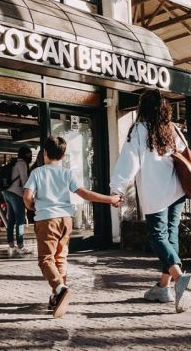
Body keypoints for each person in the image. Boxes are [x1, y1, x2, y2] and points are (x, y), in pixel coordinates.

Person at [110, 89, 191, 313]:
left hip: (156, 193)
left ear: (143, 108)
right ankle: (163, 288)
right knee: (170, 236)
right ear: (163, 108)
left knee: (158, 236)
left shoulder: (140, 130)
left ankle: (179, 278)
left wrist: (116, 189)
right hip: (177, 191)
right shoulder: (172, 129)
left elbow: (128, 162)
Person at [23, 136, 121, 318]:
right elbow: (84, 193)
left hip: (47, 220)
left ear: (44, 152)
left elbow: (27, 196)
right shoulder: (67, 174)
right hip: (66, 220)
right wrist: (110, 199)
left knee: (45, 259)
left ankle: (60, 288)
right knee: (60, 258)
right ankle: (57, 295)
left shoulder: (37, 173)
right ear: (63, 155)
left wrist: (32, 207)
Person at [5, 145, 33, 257]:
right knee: (20, 220)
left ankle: (11, 244)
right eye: (29, 154)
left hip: (7, 193)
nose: (30, 156)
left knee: (11, 220)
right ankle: (21, 246)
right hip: (16, 194)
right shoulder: (22, 164)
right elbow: (25, 181)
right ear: (26, 155)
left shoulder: (13, 163)